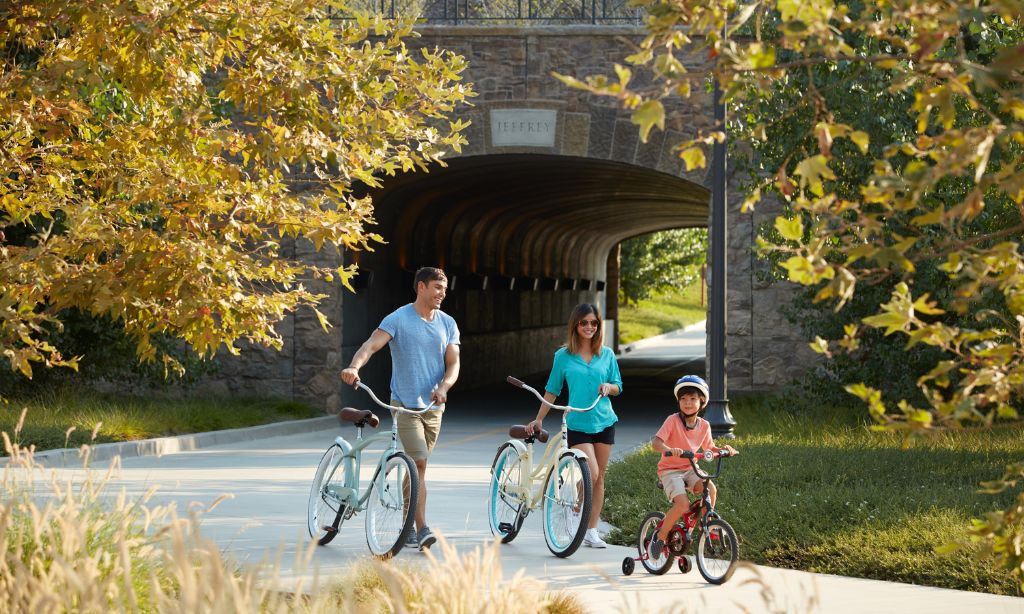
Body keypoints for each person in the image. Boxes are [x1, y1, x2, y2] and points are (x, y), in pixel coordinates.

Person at [340, 266, 460, 551]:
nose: (442, 293)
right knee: (417, 460)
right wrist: (354, 366)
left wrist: (444, 386)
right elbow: (370, 346)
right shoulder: (399, 318)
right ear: (420, 287)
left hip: (433, 408)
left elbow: (453, 363)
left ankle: (407, 524)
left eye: (444, 289)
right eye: (437, 288)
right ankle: (421, 528)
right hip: (404, 403)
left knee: (418, 467)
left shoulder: (447, 323)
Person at [525, 303, 622, 548]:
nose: (589, 327)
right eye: (584, 323)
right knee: (591, 472)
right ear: (575, 325)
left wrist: (608, 388)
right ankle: (576, 511)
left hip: (604, 420)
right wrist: (539, 418)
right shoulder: (563, 356)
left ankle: (591, 530)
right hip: (577, 421)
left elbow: (618, 385)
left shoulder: (607, 354)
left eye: (593, 323)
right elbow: (552, 390)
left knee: (600, 478)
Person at [648, 374, 738, 558]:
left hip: (691, 468)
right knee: (682, 504)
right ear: (678, 401)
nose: (688, 403)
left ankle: (708, 526)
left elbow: (709, 449)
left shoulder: (704, 425)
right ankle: (660, 538)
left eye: (693, 399)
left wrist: (723, 450)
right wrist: (669, 449)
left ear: (702, 401)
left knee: (710, 489)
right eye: (683, 399)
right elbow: (656, 443)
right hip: (670, 471)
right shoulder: (672, 420)